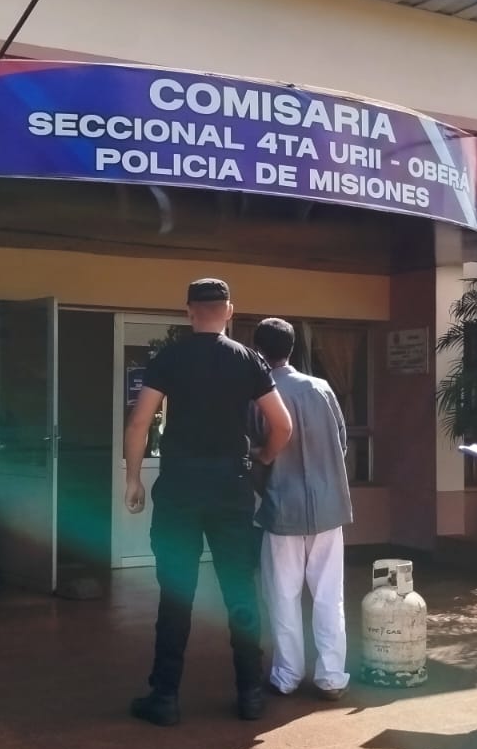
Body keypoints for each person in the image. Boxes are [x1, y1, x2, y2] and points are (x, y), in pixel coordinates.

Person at [123, 278, 293, 726]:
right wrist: (263, 458)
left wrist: (133, 479)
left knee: (176, 594)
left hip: (179, 489)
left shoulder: (169, 358)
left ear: (188, 311)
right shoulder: (248, 359)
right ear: (229, 311)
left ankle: (165, 697)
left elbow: (139, 423)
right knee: (239, 590)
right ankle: (250, 694)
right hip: (230, 489)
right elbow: (283, 424)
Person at [249, 318, 354, 701]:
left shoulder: (259, 395)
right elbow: (342, 443)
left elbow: (255, 452)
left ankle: (287, 675)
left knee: (282, 596)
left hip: (281, 510)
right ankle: (331, 677)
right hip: (328, 508)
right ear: (292, 348)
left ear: (258, 351)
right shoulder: (322, 388)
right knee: (329, 596)